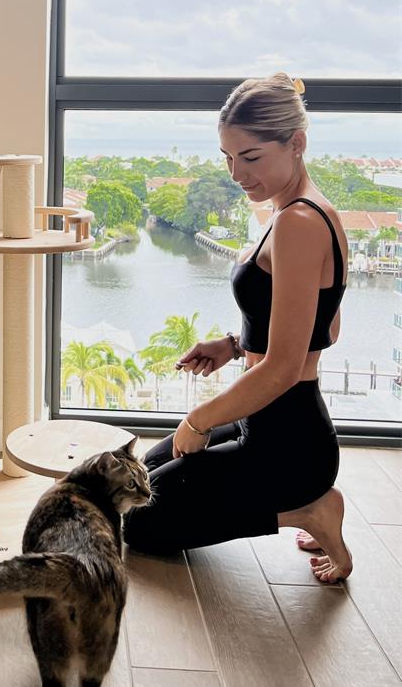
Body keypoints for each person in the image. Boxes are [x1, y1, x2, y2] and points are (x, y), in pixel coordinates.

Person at [123, 72, 352, 583]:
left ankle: (308, 509)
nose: (235, 173)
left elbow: (286, 368)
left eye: (250, 158)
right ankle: (302, 500)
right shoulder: (311, 211)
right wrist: (234, 344)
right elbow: (327, 328)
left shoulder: (298, 224)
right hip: (268, 421)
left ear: (297, 144)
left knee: (134, 521)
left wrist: (199, 419)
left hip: (287, 443)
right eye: (227, 157)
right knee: (140, 480)